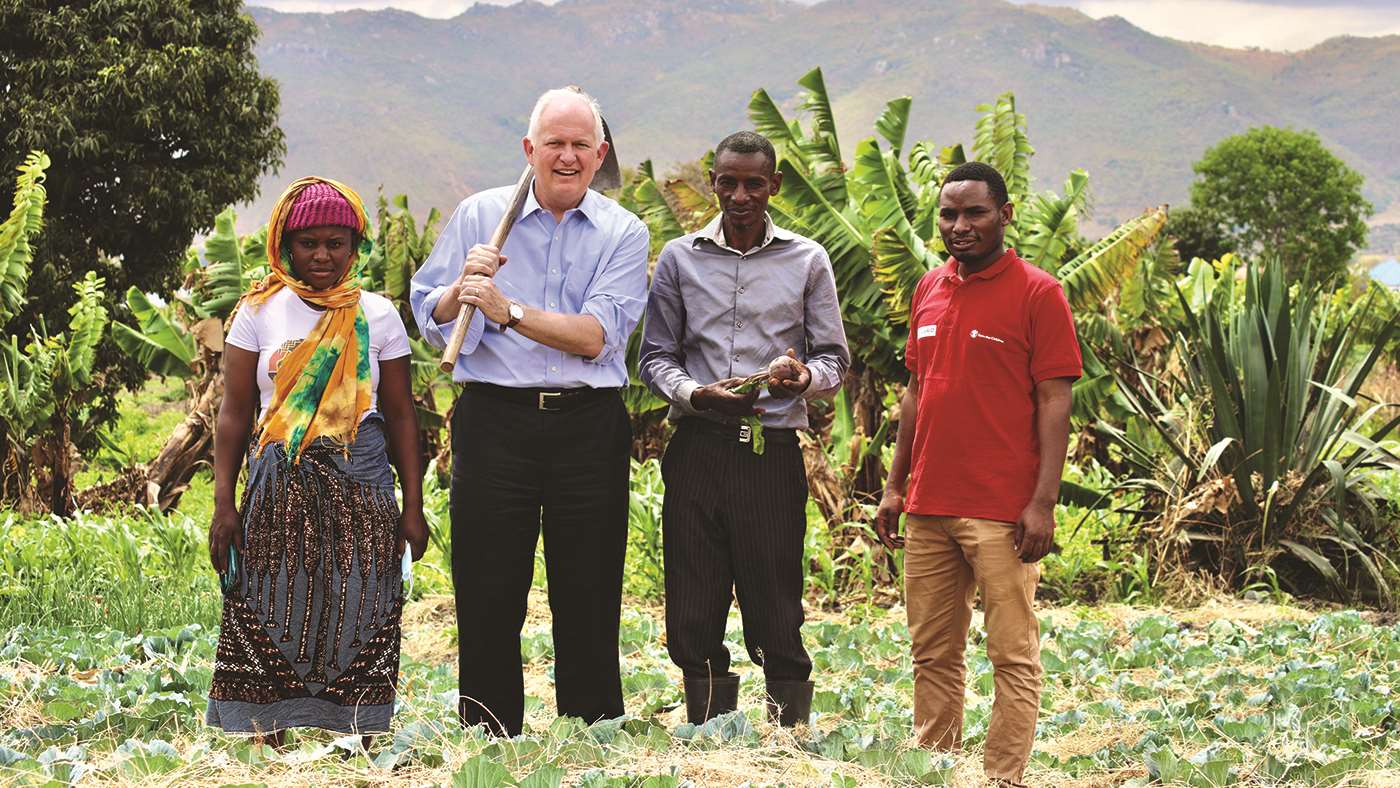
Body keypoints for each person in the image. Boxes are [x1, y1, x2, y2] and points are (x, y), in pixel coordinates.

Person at [409, 87, 648, 738]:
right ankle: (488, 736)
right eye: (554, 144)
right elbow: (427, 309)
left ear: (599, 155)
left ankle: (590, 733)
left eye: (580, 146)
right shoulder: (479, 216)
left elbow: (598, 336)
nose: (567, 157)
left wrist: (506, 311)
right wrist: (461, 289)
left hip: (587, 425)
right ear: (529, 150)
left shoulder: (624, 232)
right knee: (487, 588)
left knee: (589, 587)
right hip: (494, 421)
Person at [874, 162, 1081, 787]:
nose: (959, 226)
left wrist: (1042, 503)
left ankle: (1003, 778)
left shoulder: (1039, 293)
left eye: (974, 213)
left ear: (1005, 215)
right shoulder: (929, 289)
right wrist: (894, 484)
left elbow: (1055, 401)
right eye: (948, 214)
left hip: (1001, 511)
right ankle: (935, 772)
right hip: (929, 505)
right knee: (933, 654)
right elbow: (916, 392)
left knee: (1011, 657)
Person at [206, 177, 429, 744]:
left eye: (337, 243)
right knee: (265, 602)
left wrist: (414, 507)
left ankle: (360, 738)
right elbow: (234, 415)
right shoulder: (257, 312)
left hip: (362, 488)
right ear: (286, 245)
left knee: (364, 603)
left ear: (357, 248)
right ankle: (263, 736)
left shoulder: (378, 316)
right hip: (277, 490)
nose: (323, 256)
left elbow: (403, 417)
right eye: (309, 243)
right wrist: (224, 505)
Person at [639, 131, 849, 727]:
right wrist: (692, 393)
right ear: (713, 182)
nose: (739, 194)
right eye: (727, 181)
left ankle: (788, 732)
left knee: (776, 598)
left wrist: (801, 379)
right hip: (697, 447)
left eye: (753, 183)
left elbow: (835, 360)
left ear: (773, 186)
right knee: (692, 599)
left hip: (770, 451)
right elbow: (655, 357)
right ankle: (709, 727)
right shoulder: (680, 258)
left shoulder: (808, 259)